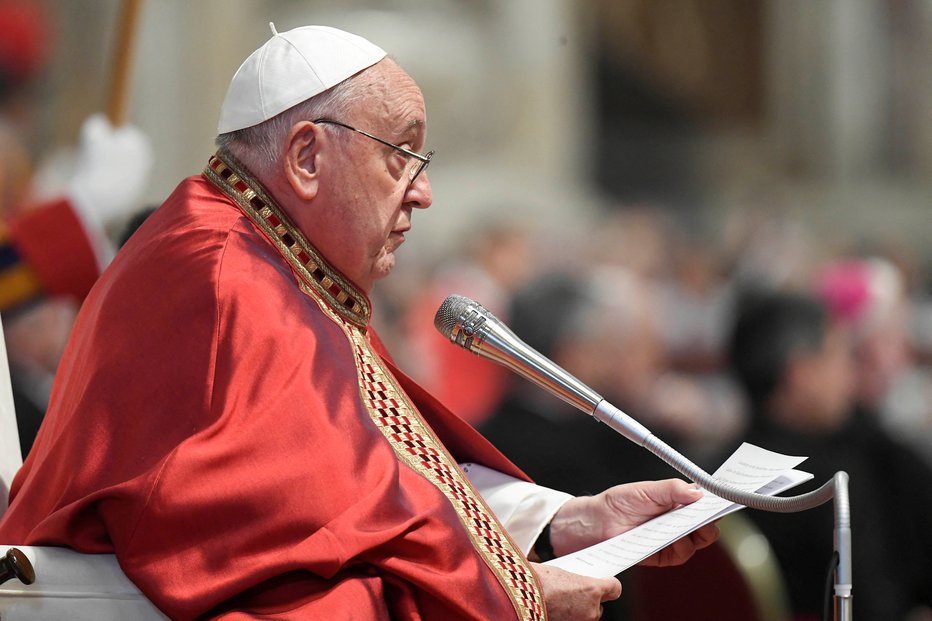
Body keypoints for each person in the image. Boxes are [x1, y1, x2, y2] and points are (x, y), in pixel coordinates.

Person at [0, 25, 717, 620]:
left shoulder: (277, 257)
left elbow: (369, 476)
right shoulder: (223, 280)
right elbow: (270, 563)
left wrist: (563, 521)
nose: (426, 193)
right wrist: (512, 592)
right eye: (403, 154)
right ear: (308, 156)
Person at [726, 289, 932, 620]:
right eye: (839, 355)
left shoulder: (713, 475)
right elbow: (874, 607)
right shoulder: (833, 484)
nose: (850, 374)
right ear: (801, 374)